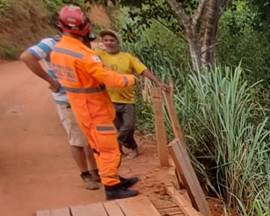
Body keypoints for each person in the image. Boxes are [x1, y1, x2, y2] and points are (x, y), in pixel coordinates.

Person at [49, 5, 139, 200]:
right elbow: (107, 77)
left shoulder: (58, 50)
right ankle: (112, 187)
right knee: (108, 148)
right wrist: (130, 80)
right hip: (94, 106)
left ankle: (112, 178)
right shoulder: (83, 54)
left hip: (81, 105)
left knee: (98, 146)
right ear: (84, 27)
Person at [19, 36, 101, 190]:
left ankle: (95, 171)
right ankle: (86, 175)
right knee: (77, 139)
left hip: (87, 99)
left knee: (91, 138)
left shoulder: (83, 45)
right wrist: (51, 81)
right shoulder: (52, 43)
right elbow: (27, 57)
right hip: (67, 99)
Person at [96, 29, 166, 158]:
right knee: (118, 127)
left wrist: (158, 82)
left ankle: (117, 142)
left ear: (117, 42)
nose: (109, 43)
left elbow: (143, 70)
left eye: (112, 40)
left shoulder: (127, 57)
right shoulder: (99, 56)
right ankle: (130, 149)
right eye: (106, 40)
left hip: (127, 100)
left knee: (129, 126)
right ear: (102, 42)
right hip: (109, 99)